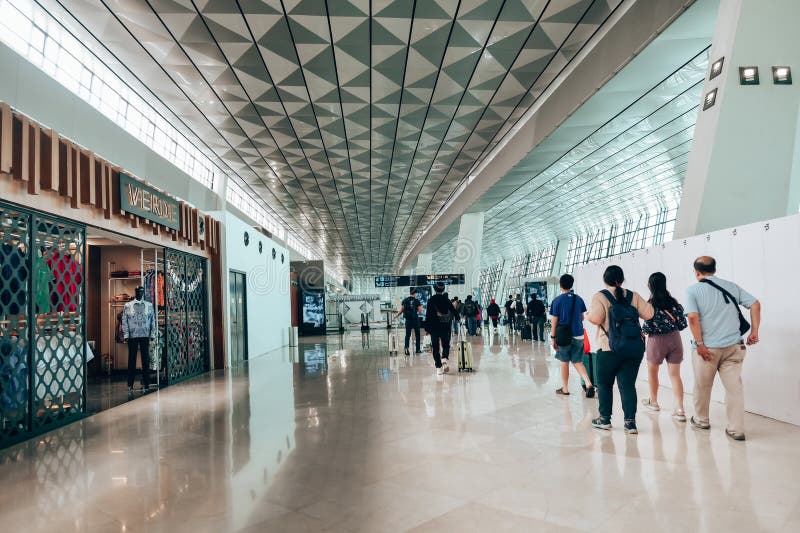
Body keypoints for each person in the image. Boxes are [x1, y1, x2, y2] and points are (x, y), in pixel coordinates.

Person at [684, 256, 760, 441]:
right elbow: (755, 304)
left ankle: (702, 420)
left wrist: (700, 344)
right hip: (734, 347)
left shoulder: (693, 290)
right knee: (734, 388)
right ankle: (737, 429)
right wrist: (754, 331)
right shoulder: (731, 286)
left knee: (703, 386)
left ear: (696, 272)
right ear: (715, 269)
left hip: (707, 350)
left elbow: (693, 318)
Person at [587, 265, 654, 434]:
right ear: (622, 280)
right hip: (632, 348)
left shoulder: (600, 296)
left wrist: (587, 315)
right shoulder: (633, 296)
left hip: (608, 348)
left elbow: (596, 318)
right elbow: (650, 314)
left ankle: (604, 419)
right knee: (628, 385)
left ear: (605, 279)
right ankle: (630, 423)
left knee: (604, 384)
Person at [641, 272, 688, 421]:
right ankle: (680, 409)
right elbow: (682, 324)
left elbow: (647, 328)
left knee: (652, 372)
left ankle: (653, 402)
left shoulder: (650, 305)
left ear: (650, 285)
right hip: (675, 339)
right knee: (675, 375)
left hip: (657, 341)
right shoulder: (674, 303)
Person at [550, 275, 595, 398]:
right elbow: (581, 317)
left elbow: (554, 321)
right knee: (577, 361)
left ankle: (565, 388)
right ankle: (588, 383)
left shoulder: (557, 301)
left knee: (564, 361)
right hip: (579, 334)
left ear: (561, 285)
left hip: (564, 336)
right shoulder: (578, 299)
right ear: (571, 284)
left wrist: (553, 338)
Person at [424, 282, 460, 375]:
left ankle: (439, 367)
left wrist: (427, 328)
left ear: (435, 289)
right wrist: (457, 318)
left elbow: (428, 315)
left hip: (434, 327)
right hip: (445, 326)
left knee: (435, 347)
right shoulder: (447, 300)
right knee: (446, 344)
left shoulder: (431, 300)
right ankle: (444, 358)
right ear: (443, 289)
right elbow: (454, 311)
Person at [396, 287, 422, 356]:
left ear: (410, 293)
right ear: (415, 293)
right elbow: (420, 311)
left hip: (408, 320)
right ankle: (418, 349)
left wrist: (396, 315)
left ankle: (406, 348)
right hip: (415, 320)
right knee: (417, 335)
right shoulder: (417, 301)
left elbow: (401, 310)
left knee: (407, 335)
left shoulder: (405, 300)